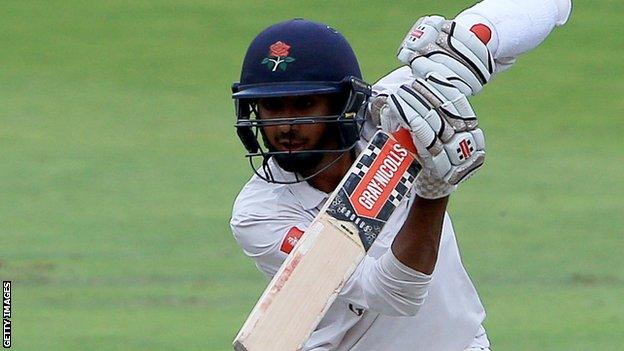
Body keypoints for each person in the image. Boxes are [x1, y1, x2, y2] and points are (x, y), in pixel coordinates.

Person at [230, 1, 571, 350]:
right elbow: (395, 295)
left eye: (304, 105)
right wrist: (434, 189)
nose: (285, 126)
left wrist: (459, 47)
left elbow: (484, 34)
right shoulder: (260, 215)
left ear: (343, 104)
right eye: (272, 107)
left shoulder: (393, 111)